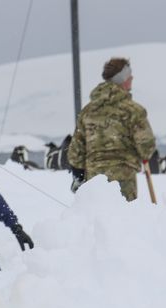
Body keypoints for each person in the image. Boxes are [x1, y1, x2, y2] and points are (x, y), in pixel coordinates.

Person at [68, 57, 156, 201]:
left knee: (98, 220)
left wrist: (79, 174)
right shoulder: (133, 111)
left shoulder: (87, 112)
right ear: (123, 80)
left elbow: (75, 152)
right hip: (124, 179)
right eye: (129, 76)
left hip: (94, 181)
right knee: (124, 219)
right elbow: (146, 146)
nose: (132, 78)